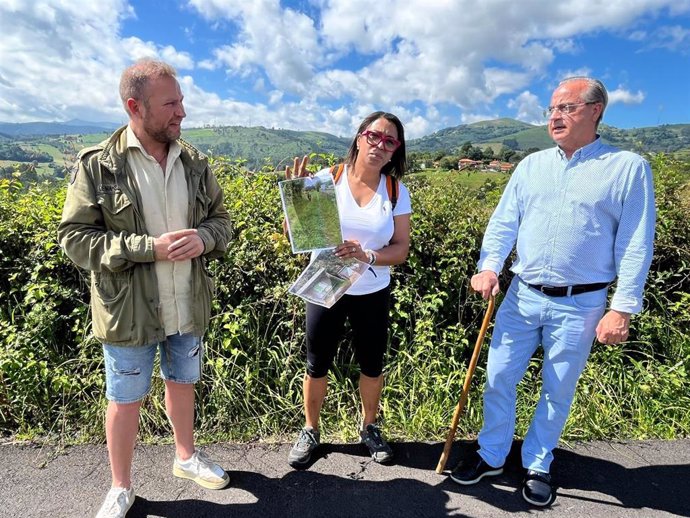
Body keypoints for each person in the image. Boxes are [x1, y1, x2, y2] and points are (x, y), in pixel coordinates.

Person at [450, 77, 656, 506]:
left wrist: (622, 308)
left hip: (582, 301)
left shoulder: (627, 167)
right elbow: (505, 222)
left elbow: (636, 241)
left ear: (596, 109)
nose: (555, 116)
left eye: (567, 107)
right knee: (499, 376)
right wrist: (490, 266)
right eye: (551, 109)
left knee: (558, 387)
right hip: (521, 294)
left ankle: (537, 462)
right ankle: (491, 454)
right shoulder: (531, 165)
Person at [58, 59, 232, 518]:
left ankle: (186, 457)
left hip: (186, 303)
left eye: (181, 101)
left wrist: (205, 237)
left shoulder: (194, 162)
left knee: (183, 383)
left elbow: (221, 222)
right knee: (125, 398)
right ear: (135, 107)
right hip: (129, 310)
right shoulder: (99, 165)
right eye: (171, 103)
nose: (182, 112)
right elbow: (75, 240)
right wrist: (146, 248)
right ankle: (120, 487)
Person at [284, 112, 412, 468]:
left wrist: (369, 254)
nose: (380, 145)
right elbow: (298, 236)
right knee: (316, 363)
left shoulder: (395, 191)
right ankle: (310, 429)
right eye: (374, 136)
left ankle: (369, 426)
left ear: (394, 151)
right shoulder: (329, 179)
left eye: (390, 142)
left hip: (372, 291)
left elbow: (400, 248)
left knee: (372, 364)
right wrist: (297, 202)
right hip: (326, 284)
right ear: (359, 137)